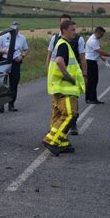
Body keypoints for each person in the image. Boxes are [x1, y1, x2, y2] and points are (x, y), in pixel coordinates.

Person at [42, 20, 85, 156]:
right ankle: (51, 140)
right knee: (70, 114)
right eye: (72, 30)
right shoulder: (64, 45)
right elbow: (60, 61)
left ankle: (62, 143)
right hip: (65, 88)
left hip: (57, 87)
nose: (75, 32)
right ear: (64, 30)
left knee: (58, 115)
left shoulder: (61, 44)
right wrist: (68, 77)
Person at [0, 21, 29, 112]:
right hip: (4, 61)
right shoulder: (3, 36)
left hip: (15, 62)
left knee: (14, 83)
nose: (15, 30)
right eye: (13, 28)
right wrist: (5, 51)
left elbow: (26, 49)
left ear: (18, 29)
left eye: (16, 29)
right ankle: (1, 105)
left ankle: (11, 104)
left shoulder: (22, 38)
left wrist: (22, 56)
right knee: (2, 83)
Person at [85, 27, 110, 104]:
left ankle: (90, 98)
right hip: (90, 62)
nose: (102, 36)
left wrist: (101, 58)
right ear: (98, 32)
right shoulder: (93, 40)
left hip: (92, 61)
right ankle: (91, 98)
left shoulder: (95, 39)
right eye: (102, 34)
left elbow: (96, 52)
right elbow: (100, 51)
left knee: (92, 80)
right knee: (92, 81)